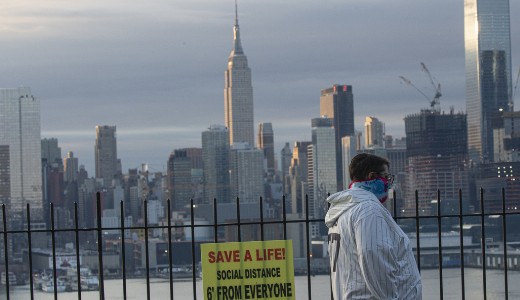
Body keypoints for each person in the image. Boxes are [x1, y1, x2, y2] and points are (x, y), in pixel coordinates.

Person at [325, 153, 422, 299]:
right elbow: (372, 255)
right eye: (386, 178)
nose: (388, 184)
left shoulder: (343, 213)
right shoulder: (368, 210)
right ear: (371, 176)